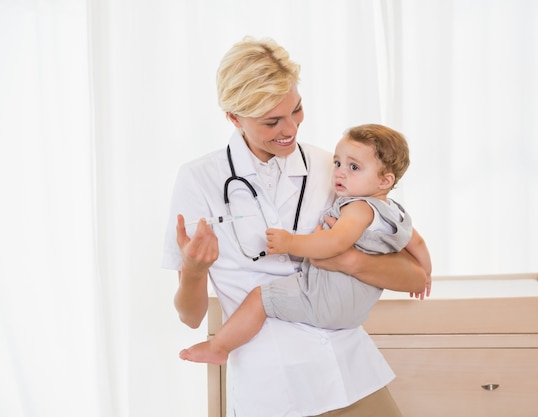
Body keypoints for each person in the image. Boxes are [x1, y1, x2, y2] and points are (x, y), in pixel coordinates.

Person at [162, 36, 429, 417]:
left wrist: (346, 260)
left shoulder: (335, 169)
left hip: (345, 367)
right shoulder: (199, 180)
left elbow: (415, 278)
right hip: (271, 380)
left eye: (297, 110)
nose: (290, 129)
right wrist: (193, 271)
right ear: (234, 118)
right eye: (272, 121)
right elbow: (190, 317)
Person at [179, 123, 432, 366]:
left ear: (385, 181)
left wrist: (290, 242)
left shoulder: (357, 207)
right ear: (235, 117)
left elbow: (334, 242)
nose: (340, 172)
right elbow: (417, 243)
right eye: (338, 163)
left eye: (353, 167)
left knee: (260, 298)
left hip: (327, 302)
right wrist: (428, 271)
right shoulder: (394, 212)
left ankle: (218, 348)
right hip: (352, 312)